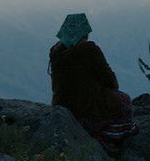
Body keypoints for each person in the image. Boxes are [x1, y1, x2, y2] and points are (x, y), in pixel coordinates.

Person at [49, 13, 139, 152]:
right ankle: (105, 134)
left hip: (61, 105)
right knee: (124, 100)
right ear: (85, 32)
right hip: (86, 107)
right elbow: (111, 81)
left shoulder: (55, 51)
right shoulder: (90, 50)